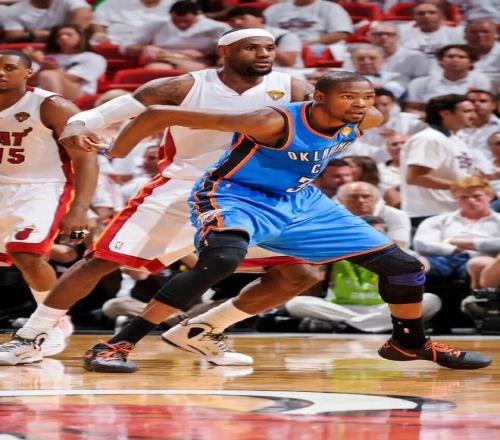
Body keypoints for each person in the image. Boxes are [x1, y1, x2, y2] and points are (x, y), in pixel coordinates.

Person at [89, 71, 490, 372]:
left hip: (301, 200)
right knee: (221, 260)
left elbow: (369, 115)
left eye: (367, 97)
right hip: (235, 195)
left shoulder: (366, 119)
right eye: (349, 96)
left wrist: (362, 106)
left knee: (405, 267)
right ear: (319, 97)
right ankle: (116, 344)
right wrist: (116, 151)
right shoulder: (271, 121)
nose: (360, 104)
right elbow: (158, 112)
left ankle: (408, 342)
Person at [0, 29, 323, 368]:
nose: (264, 54)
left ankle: (203, 330)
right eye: (251, 48)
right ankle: (31, 337)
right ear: (225, 52)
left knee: (302, 274)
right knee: (102, 261)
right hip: (184, 190)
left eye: (269, 48)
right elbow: (112, 111)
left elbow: (333, 120)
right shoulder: (186, 86)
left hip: (252, 196)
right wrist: (79, 126)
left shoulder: (293, 87)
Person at [0, 50, 98, 356]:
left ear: (28, 73)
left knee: (26, 253)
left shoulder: (52, 106)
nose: (1, 73)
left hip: (43, 187)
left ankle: (50, 324)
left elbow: (86, 159)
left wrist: (80, 209)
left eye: (9, 68)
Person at [285, 216, 441, 333]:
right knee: (295, 303)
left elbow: (423, 266)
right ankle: (372, 326)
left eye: (377, 233)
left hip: (384, 308)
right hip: (341, 308)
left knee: (432, 300)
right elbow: (308, 264)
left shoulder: (398, 253)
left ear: (386, 236)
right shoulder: (336, 250)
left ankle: (349, 326)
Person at [400, 94, 478, 226]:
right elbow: (415, 177)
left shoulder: (455, 139)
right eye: (467, 111)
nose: (474, 116)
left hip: (452, 210)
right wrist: (463, 187)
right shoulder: (428, 138)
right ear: (445, 114)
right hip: (429, 214)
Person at [414, 177, 500, 284]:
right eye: (464, 197)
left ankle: (479, 293)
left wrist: (468, 242)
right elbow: (422, 244)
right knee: (414, 264)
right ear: (456, 198)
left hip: (481, 258)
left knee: (479, 264)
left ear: (490, 196)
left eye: (477, 196)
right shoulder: (438, 220)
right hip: (442, 258)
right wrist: (455, 248)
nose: (471, 200)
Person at [123, 0, 230, 71]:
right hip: (162, 60)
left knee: (193, 69)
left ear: (198, 15)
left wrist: (210, 56)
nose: (181, 25)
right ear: (170, 15)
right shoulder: (156, 24)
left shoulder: (218, 28)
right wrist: (144, 48)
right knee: (155, 69)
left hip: (199, 63)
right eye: (176, 21)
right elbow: (127, 47)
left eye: (186, 21)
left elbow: (230, 52)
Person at [25, 24, 107, 101]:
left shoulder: (93, 57)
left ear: (81, 37)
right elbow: (30, 82)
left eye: (69, 34)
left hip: (80, 94)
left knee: (48, 74)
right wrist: (30, 61)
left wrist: (42, 62)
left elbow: (74, 79)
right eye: (59, 35)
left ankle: (55, 105)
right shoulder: (46, 56)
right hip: (42, 92)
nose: (63, 37)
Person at [406, 45, 492, 112]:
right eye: (450, 56)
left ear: (471, 62)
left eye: (461, 57)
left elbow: (483, 108)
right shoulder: (420, 83)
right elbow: (411, 109)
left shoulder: (480, 80)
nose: (455, 60)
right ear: (440, 61)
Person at [336, 182, 411, 248]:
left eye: (366, 196)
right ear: (340, 199)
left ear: (377, 198)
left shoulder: (396, 215)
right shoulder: (333, 215)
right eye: (353, 197)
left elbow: (399, 246)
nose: (361, 200)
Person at [226, 7, 302, 68]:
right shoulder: (231, 38)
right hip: (252, 74)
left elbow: (289, 62)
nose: (237, 22)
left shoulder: (284, 35)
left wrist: (265, 42)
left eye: (242, 18)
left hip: (287, 72)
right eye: (232, 20)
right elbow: (223, 63)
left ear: (260, 19)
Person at [1, 0, 92, 42]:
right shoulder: (14, 10)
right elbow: (12, 35)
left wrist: (54, 35)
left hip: (71, 47)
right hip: (35, 49)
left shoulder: (71, 1)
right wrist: (33, 34)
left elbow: (83, 15)